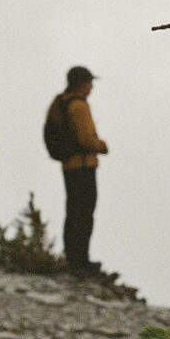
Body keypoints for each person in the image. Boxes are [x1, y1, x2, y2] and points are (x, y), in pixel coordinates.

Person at [55, 66, 108, 276]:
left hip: (69, 165)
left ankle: (73, 257)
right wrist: (102, 146)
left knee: (74, 211)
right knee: (84, 213)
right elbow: (87, 139)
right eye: (89, 82)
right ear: (81, 84)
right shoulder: (79, 106)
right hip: (83, 165)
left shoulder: (61, 102)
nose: (92, 86)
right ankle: (80, 260)